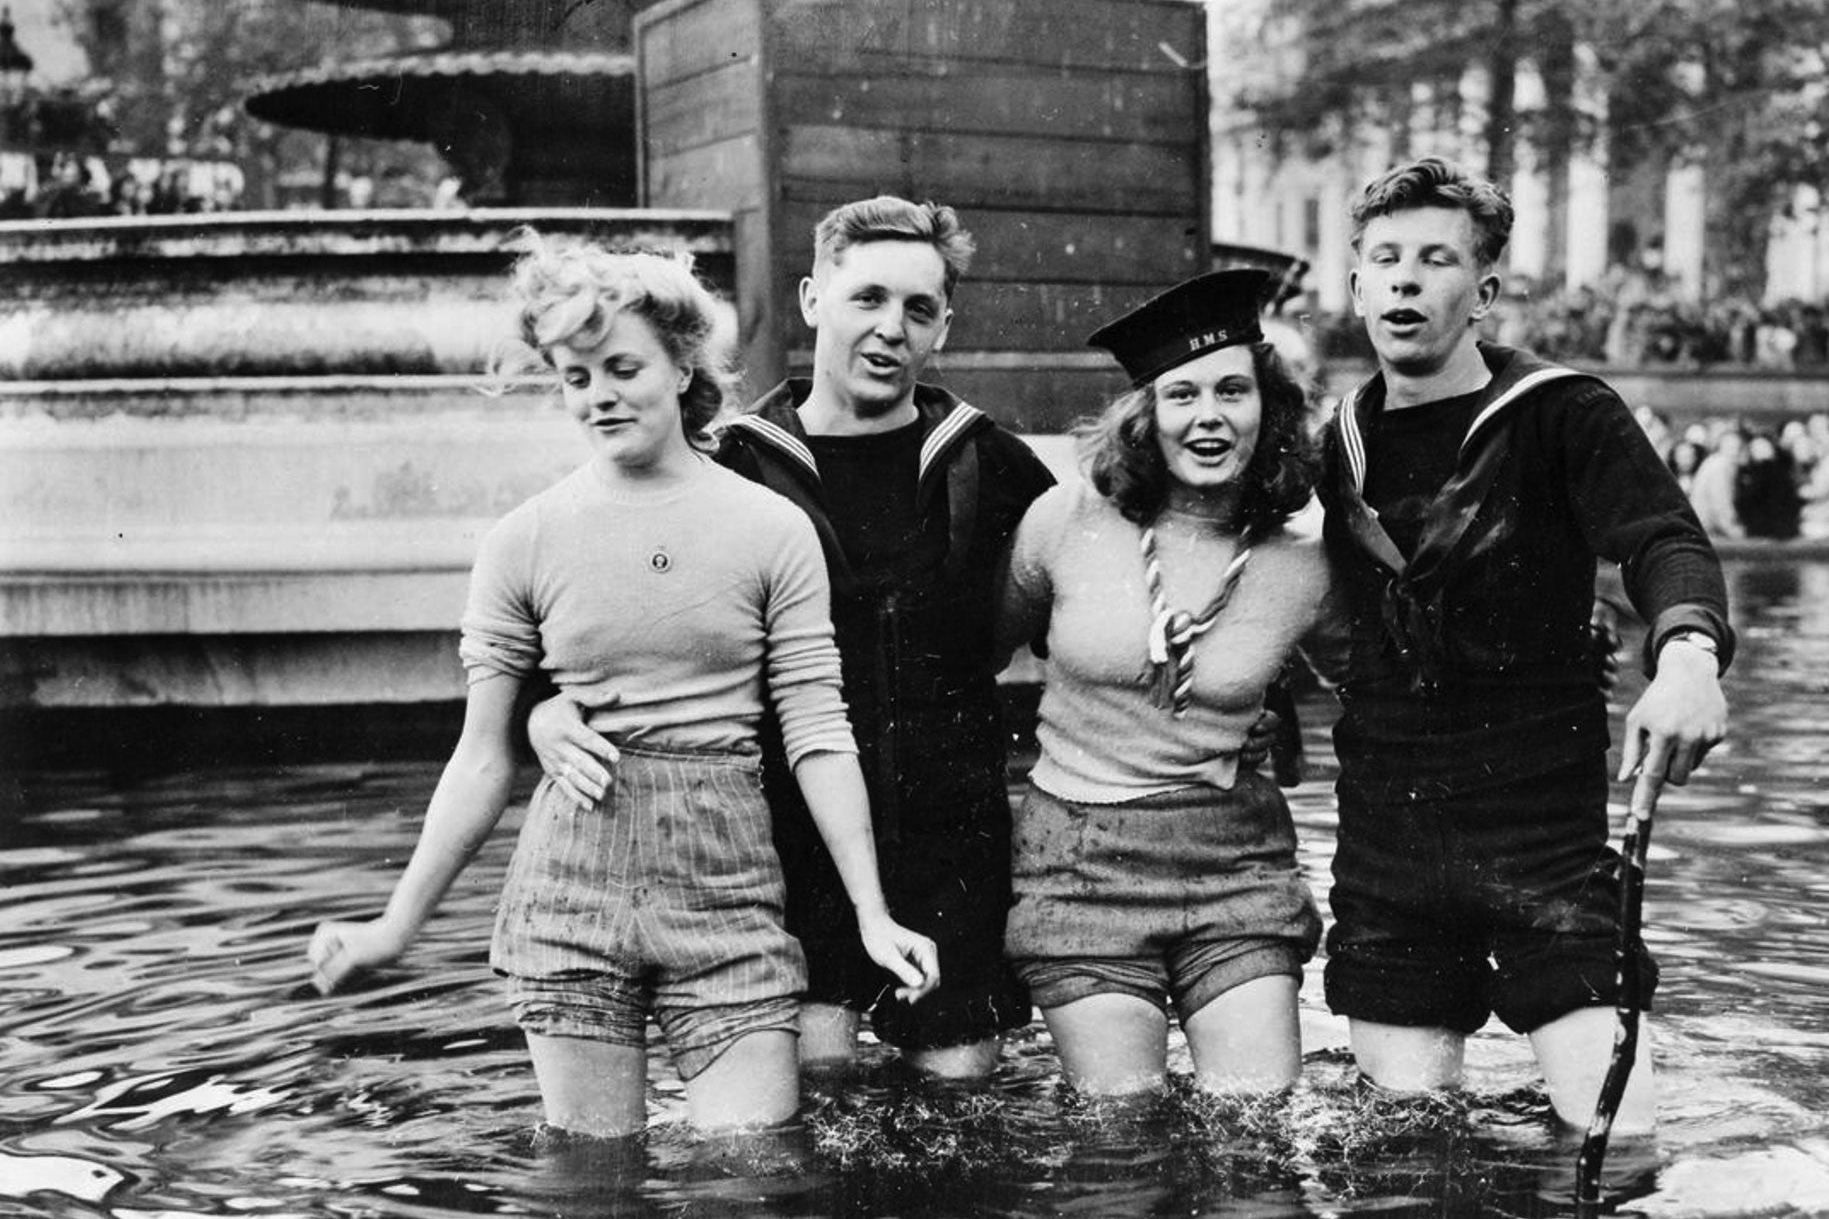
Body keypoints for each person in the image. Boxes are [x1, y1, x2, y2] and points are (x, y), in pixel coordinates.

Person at [306, 236, 936, 1135]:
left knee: (750, 1185)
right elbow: (482, 757)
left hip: (728, 889)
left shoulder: (772, 527)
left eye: (622, 367)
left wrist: (873, 914)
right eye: (573, 376)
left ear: (683, 365)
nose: (599, 395)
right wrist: (394, 927)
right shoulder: (523, 540)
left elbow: (818, 731)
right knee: (592, 1194)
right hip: (572, 890)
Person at [530, 198, 1054, 1083]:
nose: (890, 329)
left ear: (943, 328)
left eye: (918, 310)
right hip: (780, 847)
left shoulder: (987, 463)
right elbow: (595, 612)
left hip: (950, 844)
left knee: (962, 1100)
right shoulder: (727, 465)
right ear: (814, 300)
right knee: (814, 1098)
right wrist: (543, 714)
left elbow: (1096, 598)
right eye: (867, 299)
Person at [1318, 156, 1732, 1132]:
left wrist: (1685, 658)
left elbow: (1663, 541)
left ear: (1484, 291)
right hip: (1389, 825)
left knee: (1616, 1144)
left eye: (1434, 259)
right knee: (1399, 1157)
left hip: (1536, 822)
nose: (1405, 279)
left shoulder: (1561, 413)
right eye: (1385, 259)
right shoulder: (1333, 438)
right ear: (1356, 287)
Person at [996, 269, 1338, 1097]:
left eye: (1232, 390)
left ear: (1271, 407)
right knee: (1122, 1140)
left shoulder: (1309, 559)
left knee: (1255, 1133)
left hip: (1235, 861)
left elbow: (1387, 686)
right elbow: (971, 658)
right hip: (1079, 859)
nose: (1209, 416)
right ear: (1147, 415)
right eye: (1182, 395)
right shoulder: (1064, 521)